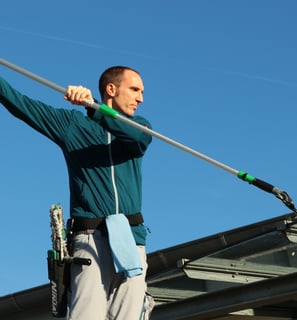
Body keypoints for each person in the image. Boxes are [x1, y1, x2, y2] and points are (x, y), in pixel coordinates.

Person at [0, 66, 154, 319]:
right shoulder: (72, 125)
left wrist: (93, 107)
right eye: (135, 89)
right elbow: (20, 103)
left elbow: (137, 137)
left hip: (131, 239)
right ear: (111, 89)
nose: (141, 98)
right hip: (89, 239)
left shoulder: (139, 126)